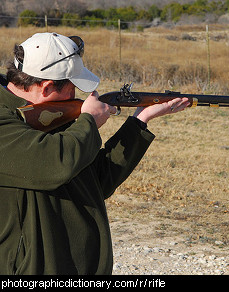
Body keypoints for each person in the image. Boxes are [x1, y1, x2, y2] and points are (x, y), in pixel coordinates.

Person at [0, 32, 190, 275]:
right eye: (72, 88)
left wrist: (139, 121)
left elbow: (97, 182)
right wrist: (89, 121)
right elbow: (56, 164)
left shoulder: (48, 117)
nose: (76, 96)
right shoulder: (6, 123)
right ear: (47, 87)